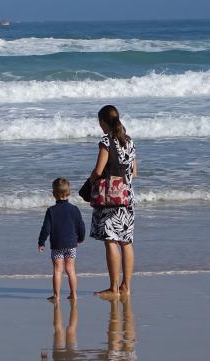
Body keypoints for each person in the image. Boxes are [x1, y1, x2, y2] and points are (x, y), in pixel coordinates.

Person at [89, 105, 137, 298]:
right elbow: (135, 172)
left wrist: (90, 183)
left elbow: (99, 170)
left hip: (111, 197)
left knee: (110, 240)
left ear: (103, 122)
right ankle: (126, 286)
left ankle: (113, 287)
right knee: (126, 241)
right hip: (127, 195)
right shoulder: (129, 141)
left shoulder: (106, 141)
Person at [38, 177, 86, 302]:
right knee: (70, 269)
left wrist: (41, 242)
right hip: (71, 244)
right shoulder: (74, 209)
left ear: (54, 195)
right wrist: (81, 238)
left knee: (58, 270)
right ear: (69, 193)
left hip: (57, 245)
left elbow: (46, 228)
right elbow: (81, 225)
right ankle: (74, 294)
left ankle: (56, 296)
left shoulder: (51, 211)